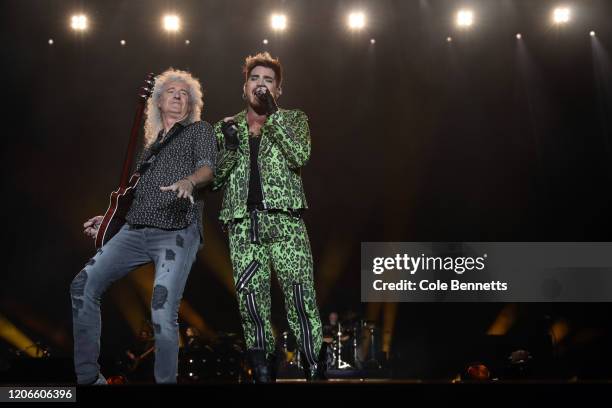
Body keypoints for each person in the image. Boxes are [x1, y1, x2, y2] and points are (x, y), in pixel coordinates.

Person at [70, 68, 217, 384]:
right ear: (159, 102)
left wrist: (190, 181)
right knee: (83, 285)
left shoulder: (199, 131)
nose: (179, 96)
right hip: (134, 230)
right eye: (171, 92)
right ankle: (87, 379)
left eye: (184, 93)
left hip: (176, 230)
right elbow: (133, 195)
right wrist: (109, 219)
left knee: (162, 311)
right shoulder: (150, 149)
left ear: (191, 104)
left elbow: (208, 168)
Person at [213, 52, 326, 382]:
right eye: (254, 78)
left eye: (268, 80)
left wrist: (273, 118)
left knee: (301, 297)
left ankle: (313, 366)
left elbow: (300, 155)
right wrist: (230, 148)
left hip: (286, 223)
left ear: (278, 90)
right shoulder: (226, 127)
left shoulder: (292, 119)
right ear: (244, 85)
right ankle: (262, 368)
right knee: (251, 302)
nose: (260, 84)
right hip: (243, 226)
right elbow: (216, 180)